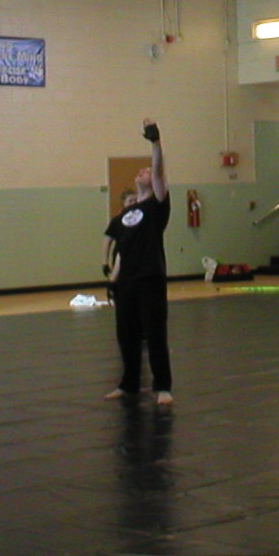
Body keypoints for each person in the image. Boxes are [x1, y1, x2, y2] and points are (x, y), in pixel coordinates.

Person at [102, 119, 173, 405]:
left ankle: (163, 386)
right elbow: (121, 250)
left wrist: (155, 141)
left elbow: (158, 170)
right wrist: (113, 278)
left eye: (147, 171)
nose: (144, 171)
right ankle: (129, 383)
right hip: (127, 282)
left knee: (154, 333)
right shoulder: (123, 217)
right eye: (141, 171)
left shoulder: (156, 205)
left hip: (149, 278)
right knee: (126, 335)